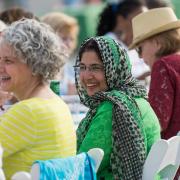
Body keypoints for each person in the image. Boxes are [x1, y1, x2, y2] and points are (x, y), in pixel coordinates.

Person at [74, 36, 160, 179]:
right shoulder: (137, 97)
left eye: (95, 68)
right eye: (82, 67)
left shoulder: (113, 107)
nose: (86, 76)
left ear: (114, 69)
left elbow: (79, 166)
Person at [0, 18, 76, 179]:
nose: (0, 67)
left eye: (8, 61)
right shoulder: (56, 103)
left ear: (34, 65)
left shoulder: (28, 111)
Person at [130, 7, 180, 140]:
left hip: (170, 156)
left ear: (157, 43)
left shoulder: (163, 65)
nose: (140, 56)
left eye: (139, 48)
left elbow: (157, 122)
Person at [96, 0, 150, 83]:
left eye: (146, 19)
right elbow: (108, 84)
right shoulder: (105, 44)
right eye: (139, 18)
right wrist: (145, 77)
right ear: (121, 20)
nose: (145, 23)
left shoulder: (144, 43)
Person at [41, 12, 79, 95]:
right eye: (64, 38)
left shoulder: (72, 71)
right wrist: (70, 97)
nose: (69, 45)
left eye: (72, 39)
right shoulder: (39, 75)